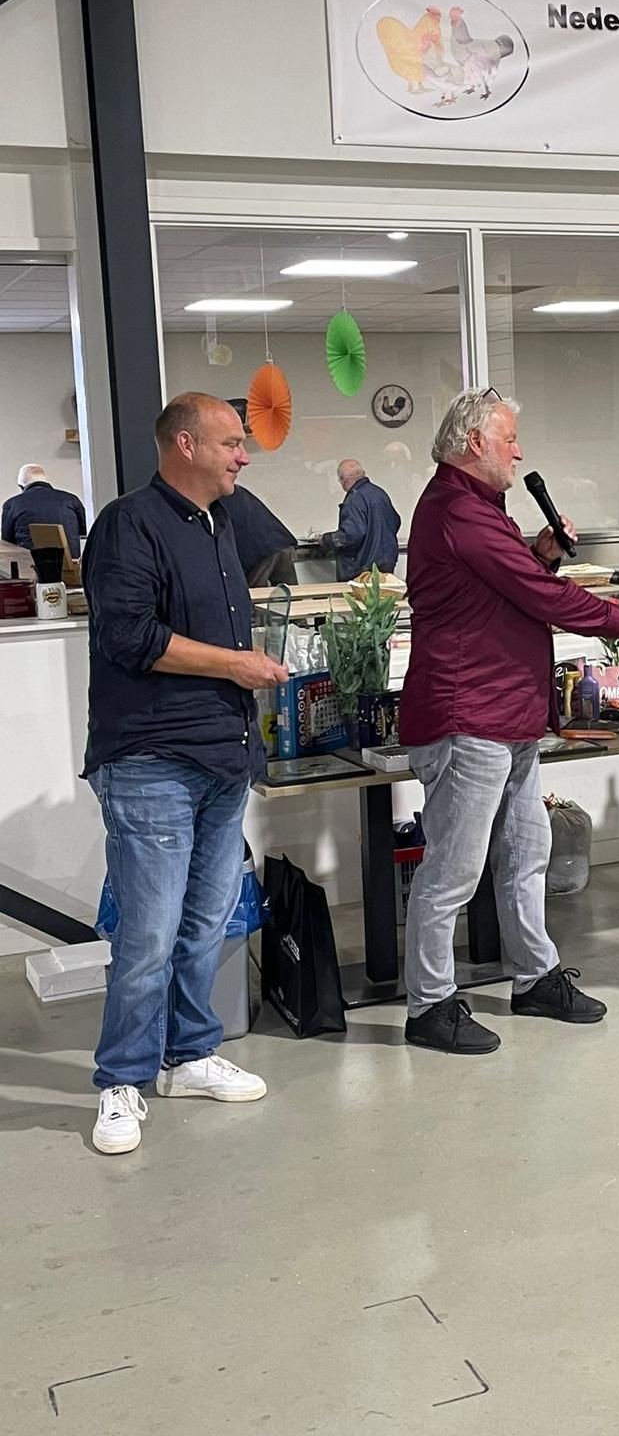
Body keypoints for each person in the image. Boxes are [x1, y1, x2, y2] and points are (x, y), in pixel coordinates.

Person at [398, 389, 619, 1055]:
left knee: (527, 852)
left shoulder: (480, 509)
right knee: (453, 871)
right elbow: (541, 596)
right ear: (473, 443)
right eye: (509, 438)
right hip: (469, 717)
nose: (519, 452)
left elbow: (507, 589)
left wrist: (539, 553)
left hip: (507, 714)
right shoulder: (458, 509)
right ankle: (429, 1005)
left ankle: (535, 977)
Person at [81, 393, 289, 1155]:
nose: (244, 455)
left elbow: (280, 544)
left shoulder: (220, 522)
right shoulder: (127, 525)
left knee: (205, 924)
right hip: (151, 761)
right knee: (150, 931)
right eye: (231, 443)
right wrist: (235, 664)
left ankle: (189, 1054)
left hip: (223, 754)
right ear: (184, 444)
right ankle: (121, 1081)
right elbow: (130, 637)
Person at [321, 459, 402, 579]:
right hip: (386, 562)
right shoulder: (380, 493)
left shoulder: (354, 498)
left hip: (362, 567)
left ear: (344, 480)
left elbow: (351, 535)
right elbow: (395, 521)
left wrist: (326, 539)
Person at [222, 481, 297, 586]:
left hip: (259, 550)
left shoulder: (213, 497)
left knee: (254, 594)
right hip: (280, 541)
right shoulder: (232, 490)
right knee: (289, 592)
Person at [1, 464, 87, 556]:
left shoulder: (12, 504)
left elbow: (7, 542)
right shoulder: (72, 500)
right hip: (71, 562)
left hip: (30, 563)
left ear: (21, 486)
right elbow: (82, 532)